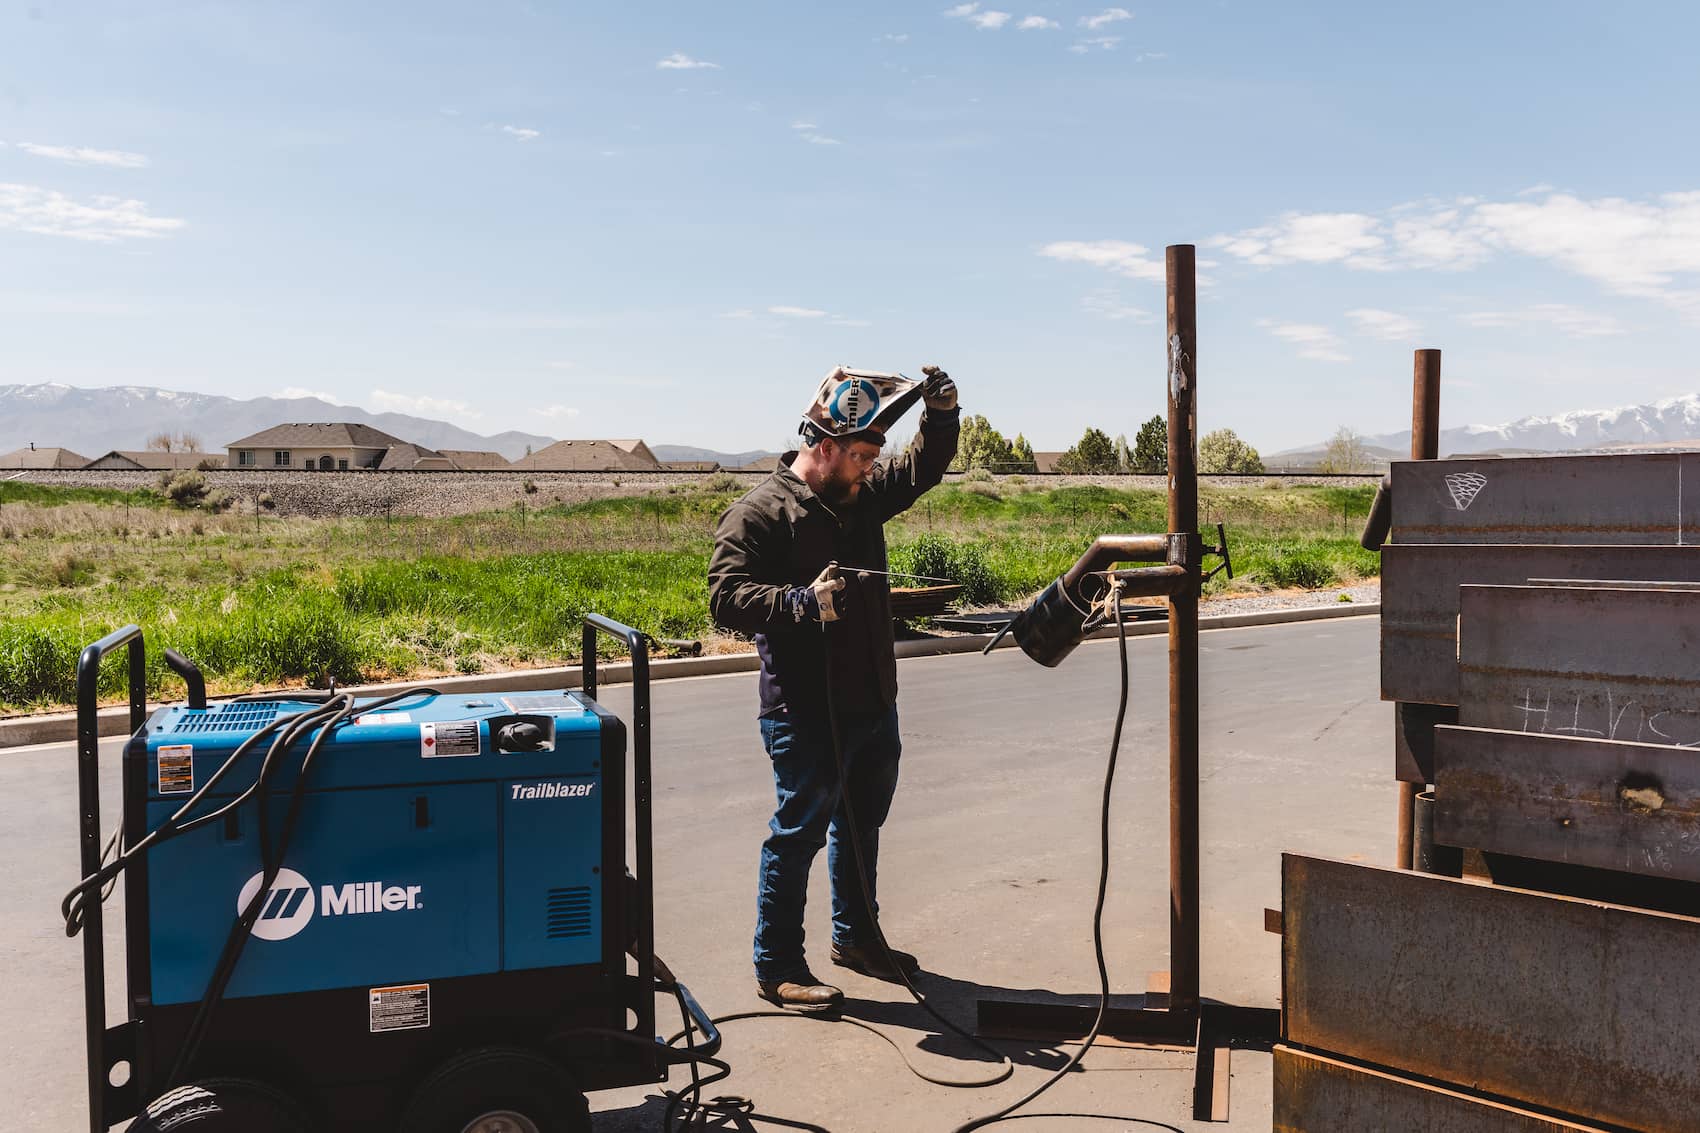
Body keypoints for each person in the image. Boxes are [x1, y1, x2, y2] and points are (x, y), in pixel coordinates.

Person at [708, 364, 960, 1013]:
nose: (871, 468)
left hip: (872, 698)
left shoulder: (863, 497)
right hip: (804, 710)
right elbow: (724, 596)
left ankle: (856, 937)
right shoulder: (760, 512)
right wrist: (797, 602)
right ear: (822, 445)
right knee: (798, 834)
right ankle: (777, 964)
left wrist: (941, 414)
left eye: (874, 456)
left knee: (861, 823)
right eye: (860, 456)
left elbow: (922, 469)